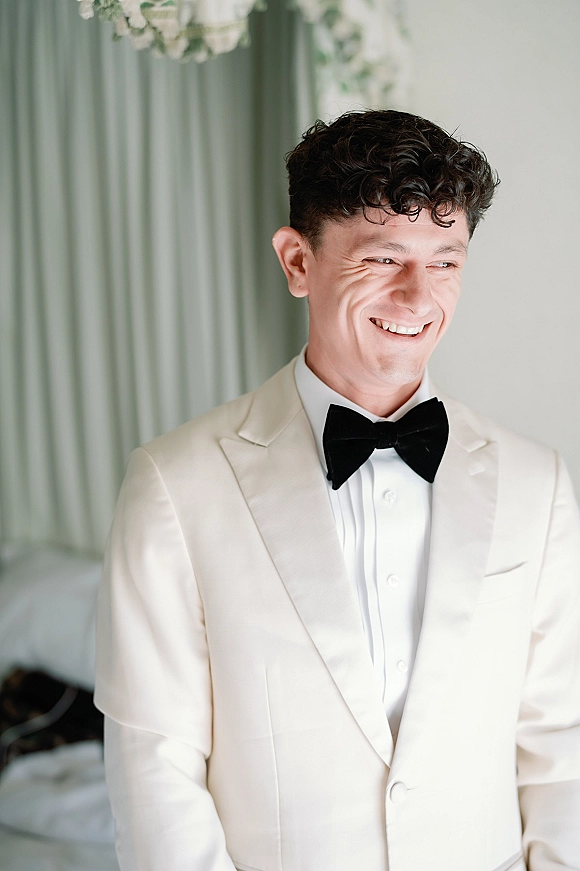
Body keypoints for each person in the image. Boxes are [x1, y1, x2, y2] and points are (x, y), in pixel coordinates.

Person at [95, 110, 580, 871]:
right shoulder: (174, 483)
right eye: (384, 258)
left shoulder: (538, 483)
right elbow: (155, 768)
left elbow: (562, 747)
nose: (420, 297)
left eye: (446, 261)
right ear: (297, 262)